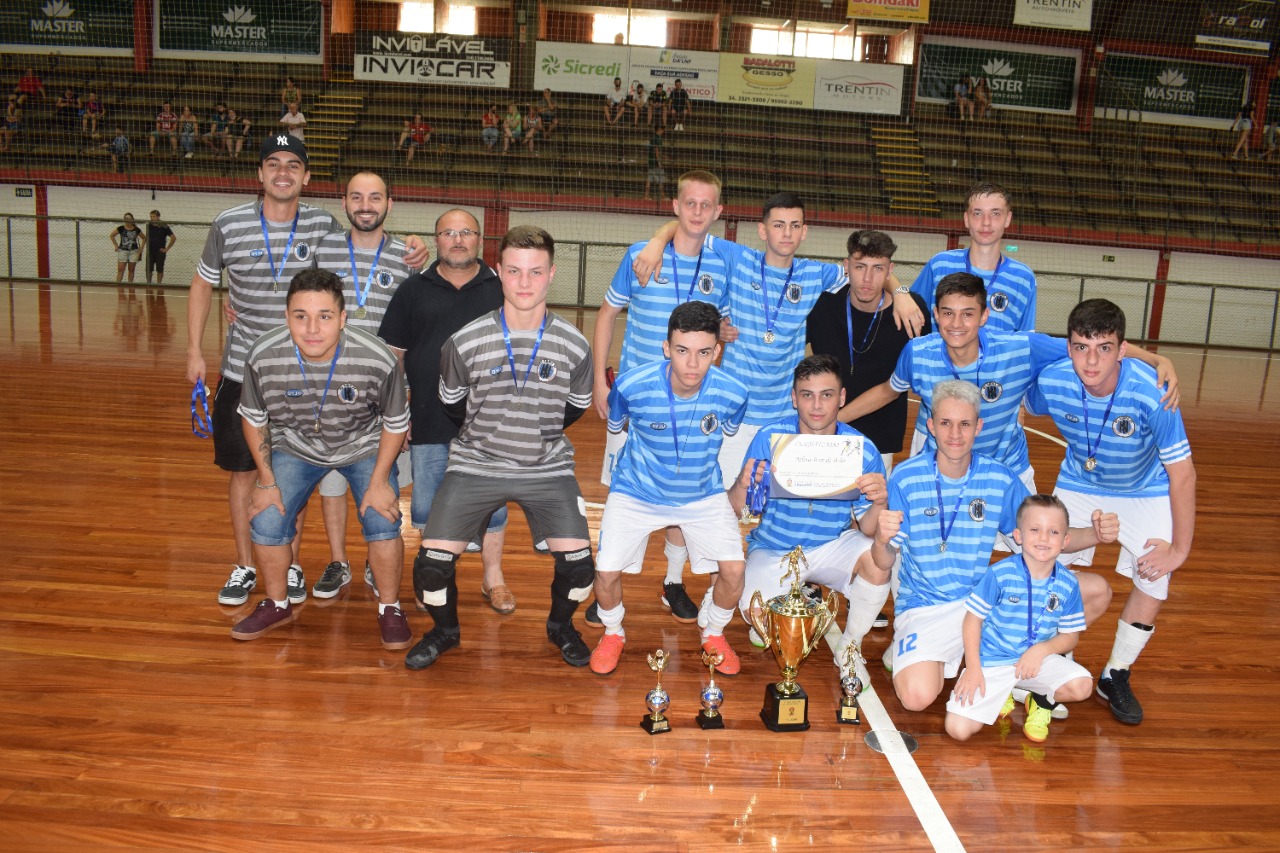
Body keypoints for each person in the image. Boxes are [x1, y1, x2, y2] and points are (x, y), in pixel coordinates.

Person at [185, 132, 428, 606]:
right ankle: (245, 565)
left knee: (290, 462)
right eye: (273, 164)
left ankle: (293, 565)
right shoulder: (229, 223)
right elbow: (204, 282)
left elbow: (366, 243)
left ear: (307, 177)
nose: (282, 173)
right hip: (244, 367)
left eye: (293, 165)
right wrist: (196, 348)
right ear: (259, 172)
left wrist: (416, 247)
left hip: (318, 373)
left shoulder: (322, 226)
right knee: (246, 471)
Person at [853, 380, 1118, 715]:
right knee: (916, 698)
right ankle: (970, 662)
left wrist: (1095, 534)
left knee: (1096, 590)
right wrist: (881, 540)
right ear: (931, 425)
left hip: (983, 601)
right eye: (946, 423)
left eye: (964, 424)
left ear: (978, 427)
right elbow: (883, 561)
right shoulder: (905, 478)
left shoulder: (999, 479)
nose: (955, 434)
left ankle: (1016, 665)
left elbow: (1044, 534)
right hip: (927, 607)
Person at [403, 225, 595, 672]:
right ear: (499, 272)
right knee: (430, 568)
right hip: (476, 464)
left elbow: (576, 405)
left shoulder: (574, 345)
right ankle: (445, 631)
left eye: (535, 271)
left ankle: (560, 627)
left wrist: (537, 434)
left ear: (551, 274)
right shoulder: (465, 340)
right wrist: (487, 436)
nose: (524, 282)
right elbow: (452, 403)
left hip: (547, 467)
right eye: (514, 271)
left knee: (580, 568)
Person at [839, 272, 1179, 493]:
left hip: (1008, 471)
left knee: (1036, 554)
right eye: (948, 313)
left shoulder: (1020, 348)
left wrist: (1156, 359)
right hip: (941, 471)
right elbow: (888, 391)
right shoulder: (918, 353)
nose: (956, 323)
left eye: (968, 314)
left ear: (984, 316)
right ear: (936, 314)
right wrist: (836, 419)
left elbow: (1086, 343)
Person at [1025, 298, 1196, 726]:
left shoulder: (1153, 392)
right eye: (1081, 347)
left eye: (1104, 348)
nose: (1091, 361)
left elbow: (1183, 475)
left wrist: (1179, 551)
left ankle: (1115, 673)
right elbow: (1017, 374)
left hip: (1145, 488)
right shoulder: (1052, 379)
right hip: (1080, 483)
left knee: (1155, 574)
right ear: (1068, 347)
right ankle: (1056, 659)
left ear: (1122, 350)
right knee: (1044, 563)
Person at [233, 268, 413, 651]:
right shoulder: (263, 355)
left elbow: (396, 423)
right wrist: (266, 479)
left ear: (343, 318)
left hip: (364, 445)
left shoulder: (376, 358)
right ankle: (277, 603)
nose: (312, 328)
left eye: (325, 316)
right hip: (296, 446)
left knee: (382, 518)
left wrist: (380, 480)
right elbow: (253, 418)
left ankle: (390, 607)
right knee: (266, 519)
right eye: (301, 316)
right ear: (286, 316)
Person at [591, 170, 733, 626]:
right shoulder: (641, 254)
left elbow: (718, 332)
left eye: (706, 205)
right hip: (637, 400)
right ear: (675, 206)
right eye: (689, 203)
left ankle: (672, 581)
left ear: (718, 211)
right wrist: (599, 380)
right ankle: (607, 582)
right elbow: (608, 313)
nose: (697, 212)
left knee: (680, 487)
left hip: (692, 402)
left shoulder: (721, 265)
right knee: (623, 488)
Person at [590, 301, 750, 675]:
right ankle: (612, 633)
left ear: (717, 351)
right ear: (666, 348)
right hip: (637, 492)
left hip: (702, 494)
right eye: (682, 350)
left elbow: (728, 433)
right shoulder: (630, 386)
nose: (692, 364)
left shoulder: (734, 393)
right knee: (605, 572)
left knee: (734, 571)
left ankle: (714, 633)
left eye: (703, 352)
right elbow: (616, 429)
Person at [380, 209, 515, 616]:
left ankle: (494, 578)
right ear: (436, 239)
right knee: (427, 506)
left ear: (480, 239)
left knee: (493, 504)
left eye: (466, 232)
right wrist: (397, 413)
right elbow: (394, 357)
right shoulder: (412, 290)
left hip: (490, 422)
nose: (457, 240)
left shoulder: (503, 289)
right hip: (428, 416)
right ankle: (433, 578)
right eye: (448, 233)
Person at [727, 355, 888, 648]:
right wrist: (742, 483)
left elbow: (867, 529)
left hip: (832, 545)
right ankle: (795, 590)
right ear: (794, 398)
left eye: (826, 395)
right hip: (775, 548)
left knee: (879, 557)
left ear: (841, 398)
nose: (816, 406)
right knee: (757, 617)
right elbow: (738, 510)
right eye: (807, 395)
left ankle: (850, 645)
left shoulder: (862, 450)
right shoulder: (768, 439)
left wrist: (879, 503)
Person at [307, 171, 417, 598]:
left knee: (384, 476)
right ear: (344, 203)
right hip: (330, 384)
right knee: (332, 479)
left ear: (390, 204)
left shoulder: (409, 256)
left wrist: (409, 393)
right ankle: (338, 561)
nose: (365, 205)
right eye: (356, 197)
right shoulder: (323, 249)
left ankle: (378, 560)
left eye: (374, 197)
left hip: (388, 389)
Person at [945, 494, 1094, 743]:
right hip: (993, 662)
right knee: (958, 730)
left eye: (1053, 532)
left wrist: (1041, 650)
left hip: (1035, 661)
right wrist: (973, 668)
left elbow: (1070, 636)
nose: (1044, 538)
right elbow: (972, 620)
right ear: (1018, 535)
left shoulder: (1068, 583)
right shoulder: (999, 574)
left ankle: (1039, 698)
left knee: (1082, 686)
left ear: (1065, 541)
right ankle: (1003, 692)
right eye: (1035, 529)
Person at [808, 230, 930, 473]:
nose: (867, 278)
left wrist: (901, 293)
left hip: (878, 440)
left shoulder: (911, 312)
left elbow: (895, 387)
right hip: (822, 433)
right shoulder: (821, 304)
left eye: (878, 268)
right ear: (846, 266)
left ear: (890, 270)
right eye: (860, 266)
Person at [910, 182, 1037, 333]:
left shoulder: (1023, 278)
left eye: (995, 213)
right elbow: (909, 306)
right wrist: (899, 291)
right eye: (977, 213)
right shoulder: (939, 265)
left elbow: (1025, 340)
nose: (986, 223)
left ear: (1008, 218)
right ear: (966, 219)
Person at [145, 210, 176, 285]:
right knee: (148, 269)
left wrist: (166, 249)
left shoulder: (164, 226)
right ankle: (149, 284)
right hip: (150, 251)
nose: (152, 218)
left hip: (160, 251)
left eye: (154, 216)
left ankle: (159, 284)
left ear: (158, 217)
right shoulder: (149, 225)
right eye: (151, 216)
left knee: (159, 269)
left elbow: (173, 237)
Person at [111, 212, 143, 283]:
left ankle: (130, 285)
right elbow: (112, 235)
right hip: (123, 251)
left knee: (131, 270)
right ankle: (118, 285)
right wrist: (116, 245)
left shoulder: (136, 229)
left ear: (132, 219)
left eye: (129, 218)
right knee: (120, 269)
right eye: (126, 218)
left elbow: (144, 238)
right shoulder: (121, 228)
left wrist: (141, 248)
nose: (127, 220)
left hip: (133, 251)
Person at [643, 126, 665, 200]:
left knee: (649, 179)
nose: (663, 131)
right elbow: (656, 150)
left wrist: (663, 156)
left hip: (651, 160)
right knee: (660, 179)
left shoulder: (652, 138)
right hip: (655, 161)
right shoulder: (657, 139)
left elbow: (652, 150)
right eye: (662, 129)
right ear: (659, 129)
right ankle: (662, 196)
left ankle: (646, 195)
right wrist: (659, 162)